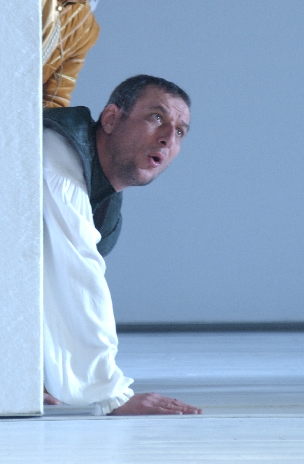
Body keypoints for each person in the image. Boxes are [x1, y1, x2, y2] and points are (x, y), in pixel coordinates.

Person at [43, 74, 202, 415]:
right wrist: (111, 394)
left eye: (180, 132)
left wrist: (36, 370)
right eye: (156, 117)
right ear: (111, 119)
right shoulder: (56, 158)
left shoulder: (105, 208)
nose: (167, 138)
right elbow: (76, 280)